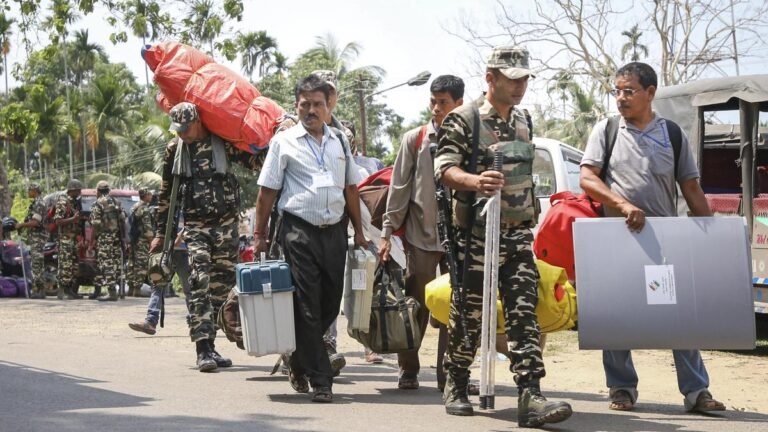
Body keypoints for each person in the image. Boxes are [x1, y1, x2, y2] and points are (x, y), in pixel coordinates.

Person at [433, 46, 572, 427]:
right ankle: (456, 381)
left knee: (524, 313)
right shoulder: (465, 119)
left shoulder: (524, 119)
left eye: (524, 79)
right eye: (512, 79)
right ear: (490, 78)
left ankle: (531, 394)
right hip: (475, 237)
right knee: (470, 316)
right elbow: (444, 169)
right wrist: (475, 181)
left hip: (517, 234)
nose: (519, 86)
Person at [579, 61, 725, 414]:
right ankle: (622, 388)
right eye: (617, 91)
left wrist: (712, 239)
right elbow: (587, 178)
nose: (621, 98)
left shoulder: (671, 133)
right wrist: (622, 204)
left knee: (678, 315)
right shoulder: (607, 130)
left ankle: (697, 392)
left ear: (650, 92)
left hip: (663, 244)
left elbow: (690, 187)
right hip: (617, 241)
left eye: (629, 91)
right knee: (617, 315)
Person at [254, 74, 366, 403]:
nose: (311, 110)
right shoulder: (284, 142)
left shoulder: (339, 141)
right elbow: (267, 192)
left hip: (335, 232)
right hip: (298, 231)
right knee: (307, 303)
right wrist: (259, 235)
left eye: (318, 104)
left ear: (328, 106)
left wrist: (359, 232)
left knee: (330, 301)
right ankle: (321, 379)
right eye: (305, 105)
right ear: (297, 106)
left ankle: (298, 359)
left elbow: (351, 188)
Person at [153, 101, 263, 372]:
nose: (181, 133)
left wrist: (271, 146)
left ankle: (211, 345)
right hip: (196, 227)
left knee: (221, 289)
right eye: (177, 129)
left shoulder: (221, 142)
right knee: (199, 281)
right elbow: (166, 195)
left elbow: (253, 161)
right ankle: (202, 348)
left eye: (185, 128)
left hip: (227, 226)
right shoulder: (175, 150)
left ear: (198, 122)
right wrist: (161, 234)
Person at [378, 75, 464, 390]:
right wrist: (387, 231)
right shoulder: (415, 139)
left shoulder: (468, 138)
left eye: (443, 102)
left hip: (458, 238)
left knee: (455, 306)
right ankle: (409, 369)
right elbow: (399, 187)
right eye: (433, 101)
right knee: (416, 305)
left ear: (459, 104)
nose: (436, 108)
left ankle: (449, 374)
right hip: (421, 236)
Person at [129, 224, 192, 335]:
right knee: (158, 286)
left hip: (184, 252)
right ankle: (150, 321)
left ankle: (196, 322)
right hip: (166, 251)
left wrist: (180, 235)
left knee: (190, 289)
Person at [89, 181, 127, 302]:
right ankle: (121, 290)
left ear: (98, 191)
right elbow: (123, 219)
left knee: (106, 263)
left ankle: (112, 292)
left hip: (105, 237)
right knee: (117, 263)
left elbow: (95, 224)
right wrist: (124, 238)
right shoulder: (116, 202)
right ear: (108, 190)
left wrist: (91, 241)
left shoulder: (98, 203)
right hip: (117, 237)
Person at [15, 183, 48, 299]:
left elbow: (35, 222)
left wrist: (21, 225)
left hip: (38, 237)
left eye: (30, 190)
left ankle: (39, 290)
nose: (28, 192)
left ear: (35, 190)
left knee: (37, 263)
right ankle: (39, 289)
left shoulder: (39, 203)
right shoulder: (36, 203)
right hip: (35, 236)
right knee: (37, 263)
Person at [54, 179, 85, 300]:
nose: (79, 192)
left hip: (74, 238)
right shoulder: (62, 202)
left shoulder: (74, 202)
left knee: (73, 265)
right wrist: (73, 219)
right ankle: (63, 290)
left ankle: (70, 289)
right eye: (78, 190)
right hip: (65, 238)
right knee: (65, 264)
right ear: (72, 190)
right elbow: (58, 221)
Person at [127, 188, 156, 297]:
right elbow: (147, 227)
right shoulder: (145, 209)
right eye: (150, 194)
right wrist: (151, 241)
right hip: (142, 240)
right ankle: (137, 289)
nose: (151, 196)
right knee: (141, 264)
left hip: (134, 239)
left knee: (132, 263)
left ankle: (130, 288)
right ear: (146, 195)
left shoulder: (134, 207)